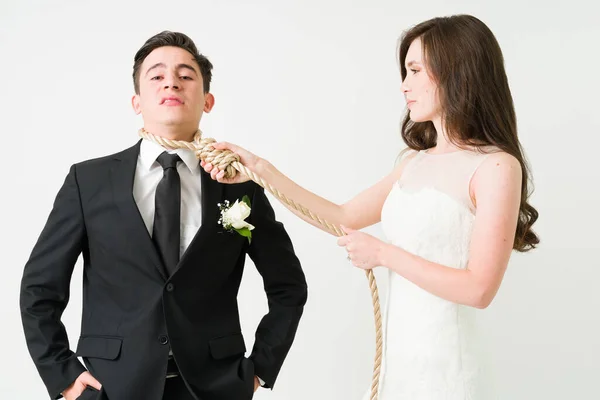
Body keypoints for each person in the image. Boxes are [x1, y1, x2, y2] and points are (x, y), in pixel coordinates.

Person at [201, 15, 539, 399]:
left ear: (456, 71)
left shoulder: (495, 166)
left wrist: (382, 254)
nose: (404, 85)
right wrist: (258, 169)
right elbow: (342, 217)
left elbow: (479, 288)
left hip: (449, 367)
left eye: (414, 71)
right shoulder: (414, 163)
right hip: (398, 362)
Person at [19, 31, 307, 400]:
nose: (171, 81)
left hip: (214, 387)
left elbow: (288, 286)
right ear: (136, 101)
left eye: (186, 76)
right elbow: (39, 288)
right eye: (157, 76)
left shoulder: (238, 183)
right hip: (112, 387)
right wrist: (64, 376)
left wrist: (259, 369)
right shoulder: (88, 181)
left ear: (208, 100)